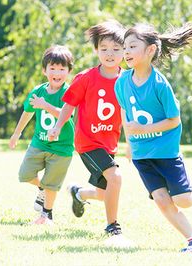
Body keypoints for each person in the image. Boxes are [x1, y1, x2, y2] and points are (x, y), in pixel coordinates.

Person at [114, 23, 192, 252]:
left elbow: (174, 120)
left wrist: (143, 131)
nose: (126, 51)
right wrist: (129, 142)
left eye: (133, 46)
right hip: (141, 155)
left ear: (150, 51)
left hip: (166, 153)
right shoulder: (121, 82)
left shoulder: (160, 84)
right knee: (161, 200)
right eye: (125, 46)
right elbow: (125, 112)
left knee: (183, 200)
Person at [48, 21, 127, 238]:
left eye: (116, 49)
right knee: (116, 177)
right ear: (96, 50)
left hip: (109, 143)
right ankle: (113, 226)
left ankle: (79, 193)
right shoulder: (86, 78)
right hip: (87, 142)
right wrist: (57, 126)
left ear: (124, 51)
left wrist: (131, 142)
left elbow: (128, 115)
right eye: (104, 49)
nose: (109, 54)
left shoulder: (127, 80)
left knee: (104, 192)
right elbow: (69, 105)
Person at [9, 45, 75, 225]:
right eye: (52, 68)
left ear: (69, 71)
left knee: (52, 184)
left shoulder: (70, 92)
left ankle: (46, 215)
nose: (57, 72)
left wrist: (45, 105)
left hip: (62, 147)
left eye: (62, 69)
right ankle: (42, 189)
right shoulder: (38, 91)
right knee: (25, 174)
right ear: (44, 70)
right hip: (39, 143)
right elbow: (28, 112)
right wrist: (17, 133)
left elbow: (67, 114)